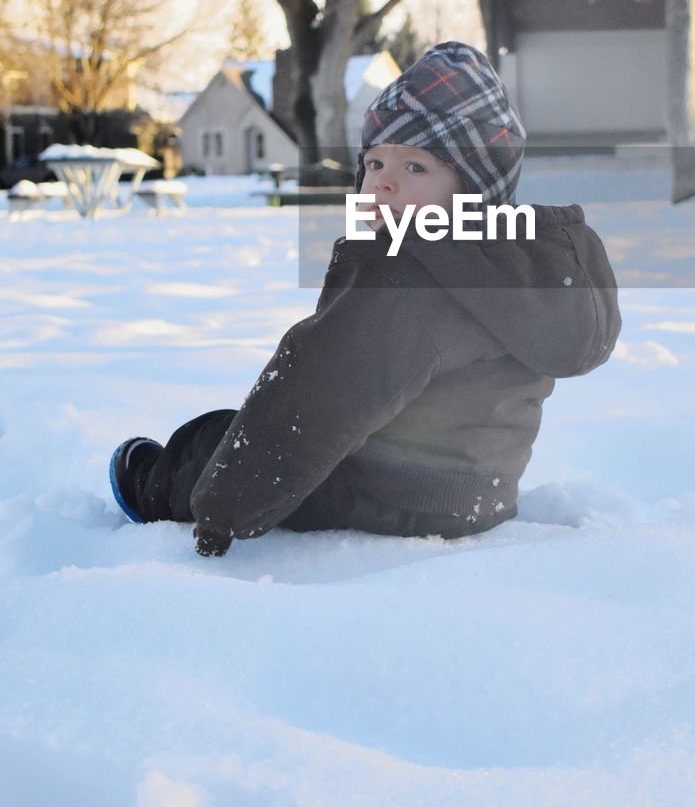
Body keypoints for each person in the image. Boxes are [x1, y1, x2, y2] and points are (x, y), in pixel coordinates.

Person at [109, 41, 621, 556]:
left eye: (417, 168)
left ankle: (157, 485)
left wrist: (223, 509)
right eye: (375, 163)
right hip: (480, 498)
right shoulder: (513, 269)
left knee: (222, 436)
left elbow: (312, 400)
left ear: (476, 189)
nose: (386, 184)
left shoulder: (410, 276)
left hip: (390, 499)